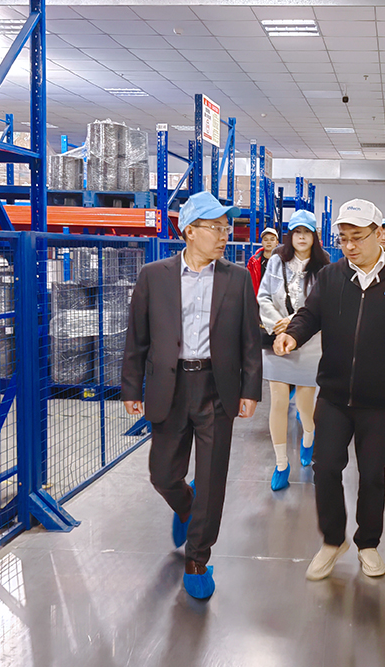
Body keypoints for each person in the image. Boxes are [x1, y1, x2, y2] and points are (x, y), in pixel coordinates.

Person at [274, 198, 385, 581]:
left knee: (373, 474)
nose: (349, 246)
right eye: (343, 238)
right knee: (325, 466)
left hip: (379, 401)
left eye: (357, 237)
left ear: (379, 234)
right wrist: (293, 335)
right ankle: (333, 540)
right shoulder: (332, 276)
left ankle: (368, 543)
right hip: (333, 395)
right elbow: (310, 315)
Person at [121, 191, 262, 600]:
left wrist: (251, 388)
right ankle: (187, 506)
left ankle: (198, 558)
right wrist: (131, 386)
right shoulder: (154, 276)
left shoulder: (237, 278)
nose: (224, 235)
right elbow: (137, 337)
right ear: (189, 231)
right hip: (170, 386)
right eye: (215, 228)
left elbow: (250, 340)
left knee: (213, 477)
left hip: (218, 387)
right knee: (163, 473)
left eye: (226, 228)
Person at [258, 209, 330, 491]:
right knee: (277, 401)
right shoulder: (277, 261)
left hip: (310, 344)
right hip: (277, 341)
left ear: (314, 236)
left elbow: (321, 306)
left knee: (305, 404)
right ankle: (281, 464)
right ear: (290, 235)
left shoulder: (324, 267)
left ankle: (309, 438)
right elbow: (263, 296)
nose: (301, 237)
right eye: (297, 232)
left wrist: (295, 323)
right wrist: (278, 324)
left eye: (306, 232)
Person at [247, 227, 279, 293]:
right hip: (258, 298)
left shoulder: (283, 261)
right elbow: (247, 283)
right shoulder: (253, 262)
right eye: (265, 239)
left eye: (272, 239)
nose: (269, 242)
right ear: (262, 242)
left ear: (277, 242)